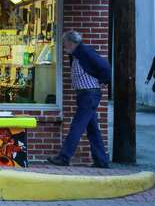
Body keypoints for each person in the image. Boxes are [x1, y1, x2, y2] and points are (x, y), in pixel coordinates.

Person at [47, 30, 111, 168]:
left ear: (71, 43)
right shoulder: (76, 54)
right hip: (85, 95)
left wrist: (104, 81)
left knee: (77, 126)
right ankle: (101, 160)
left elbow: (105, 67)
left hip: (89, 95)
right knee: (93, 129)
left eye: (65, 45)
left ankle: (64, 157)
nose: (64, 48)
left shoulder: (85, 51)